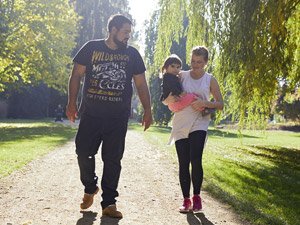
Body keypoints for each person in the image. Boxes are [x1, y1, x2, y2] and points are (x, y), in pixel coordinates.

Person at [66, 14, 152, 219]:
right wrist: (71, 103)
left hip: (117, 117)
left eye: (129, 33)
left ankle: (109, 203)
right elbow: (76, 74)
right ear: (112, 30)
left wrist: (148, 110)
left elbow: (141, 84)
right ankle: (90, 187)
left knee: (112, 159)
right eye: (125, 32)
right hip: (91, 115)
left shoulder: (132, 54)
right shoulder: (91, 48)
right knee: (83, 152)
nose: (127, 37)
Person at [163, 46, 223, 213]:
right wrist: (172, 101)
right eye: (193, 61)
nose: (196, 65)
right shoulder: (182, 76)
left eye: (199, 62)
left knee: (195, 159)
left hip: (199, 122)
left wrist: (205, 103)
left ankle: (197, 197)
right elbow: (167, 89)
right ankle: (186, 200)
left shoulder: (210, 80)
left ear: (206, 62)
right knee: (183, 163)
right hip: (181, 123)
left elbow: (220, 104)